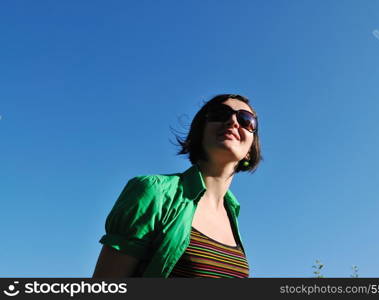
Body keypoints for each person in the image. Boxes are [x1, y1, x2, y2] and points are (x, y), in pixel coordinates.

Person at [92, 94, 262, 278]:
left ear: (250, 151)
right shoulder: (153, 192)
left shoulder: (232, 211)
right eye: (220, 113)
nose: (232, 121)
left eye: (246, 120)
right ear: (200, 132)